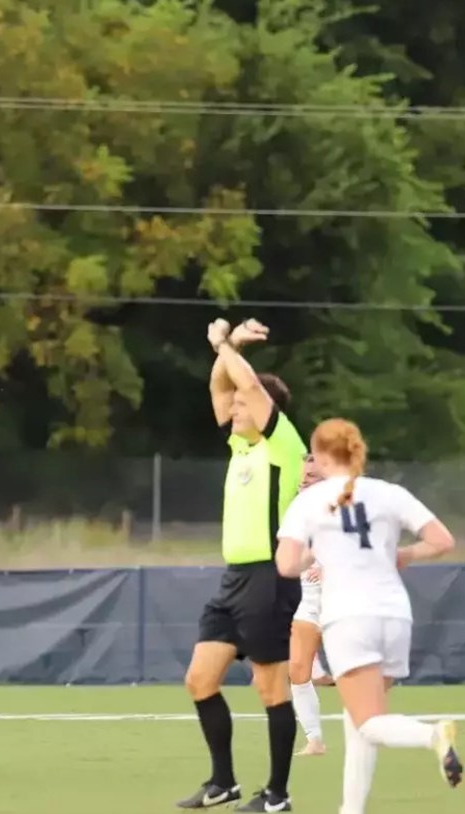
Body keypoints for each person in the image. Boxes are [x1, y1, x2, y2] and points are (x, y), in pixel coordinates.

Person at [275, 418, 463, 814]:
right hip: (395, 615)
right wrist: (405, 555)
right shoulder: (388, 492)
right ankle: (351, 809)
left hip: (348, 615)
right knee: (359, 715)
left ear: (323, 455)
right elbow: (442, 541)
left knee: (368, 721)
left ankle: (434, 735)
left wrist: (316, 550)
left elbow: (287, 564)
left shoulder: (310, 499)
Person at [180, 318, 309, 812]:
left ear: (263, 410)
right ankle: (224, 782)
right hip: (233, 580)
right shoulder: (241, 444)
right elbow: (223, 383)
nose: (231, 409)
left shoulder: (283, 445)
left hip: (268, 579)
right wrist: (228, 349)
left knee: (269, 687)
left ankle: (277, 795)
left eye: (240, 406)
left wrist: (220, 342)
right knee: (200, 679)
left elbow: (249, 385)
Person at [288, 453, 334, 757]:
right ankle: (314, 740)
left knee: (356, 669)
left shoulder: (341, 511)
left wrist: (330, 564)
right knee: (298, 668)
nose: (304, 482)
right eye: (303, 477)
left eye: (312, 477)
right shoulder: (295, 511)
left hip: (339, 598)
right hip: (307, 599)